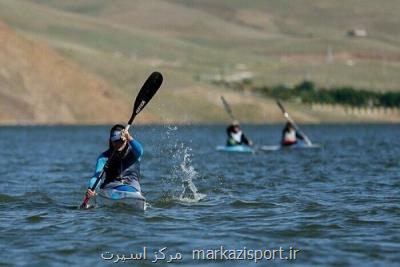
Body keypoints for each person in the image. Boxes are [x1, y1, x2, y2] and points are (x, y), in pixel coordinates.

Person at [85, 124, 143, 201]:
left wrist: (129, 137)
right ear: (111, 141)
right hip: (111, 187)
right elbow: (97, 176)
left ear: (125, 139)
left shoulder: (134, 152)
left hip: (132, 187)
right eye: (115, 141)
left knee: (129, 189)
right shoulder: (104, 157)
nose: (118, 143)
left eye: (121, 140)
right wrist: (91, 188)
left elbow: (140, 151)